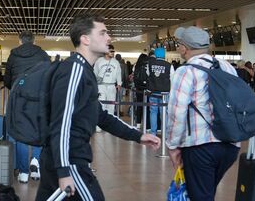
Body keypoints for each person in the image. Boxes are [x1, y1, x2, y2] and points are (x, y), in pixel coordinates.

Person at [36, 15, 160, 200]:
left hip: (66, 159)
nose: (108, 38)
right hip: (70, 161)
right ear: (85, 39)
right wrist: (63, 170)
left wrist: (138, 136)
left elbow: (101, 116)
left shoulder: (85, 71)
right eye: (102, 33)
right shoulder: (74, 71)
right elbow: (61, 123)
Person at [166, 26, 240, 201]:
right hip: (230, 145)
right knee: (206, 192)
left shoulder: (185, 71)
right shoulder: (227, 67)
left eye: (179, 44)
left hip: (201, 146)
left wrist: (173, 146)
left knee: (201, 195)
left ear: (184, 48)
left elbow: (177, 112)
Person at [3, 30, 50, 183]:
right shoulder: (42, 54)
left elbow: (7, 79)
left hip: (19, 97)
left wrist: (15, 88)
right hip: (39, 97)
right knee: (39, 129)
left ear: (20, 41)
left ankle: (23, 172)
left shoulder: (13, 55)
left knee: (20, 133)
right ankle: (36, 163)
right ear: (34, 41)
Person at [93, 44, 121, 132]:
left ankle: (109, 125)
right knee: (101, 105)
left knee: (111, 106)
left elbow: (118, 73)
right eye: (111, 51)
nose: (113, 53)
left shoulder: (116, 62)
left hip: (112, 86)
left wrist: (119, 83)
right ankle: (99, 125)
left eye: (113, 51)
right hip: (101, 86)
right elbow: (95, 73)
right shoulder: (99, 61)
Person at [146, 47, 172, 136]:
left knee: (153, 112)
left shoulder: (150, 64)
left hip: (153, 92)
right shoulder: (169, 65)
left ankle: (153, 133)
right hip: (164, 93)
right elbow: (172, 79)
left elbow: (148, 75)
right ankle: (165, 133)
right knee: (164, 113)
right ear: (164, 54)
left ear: (156, 54)